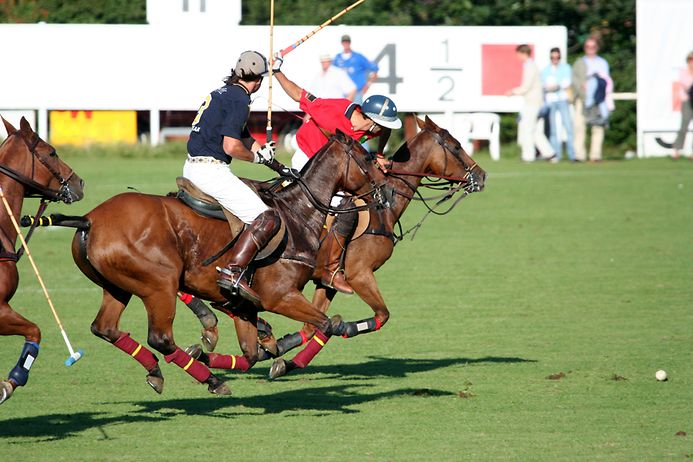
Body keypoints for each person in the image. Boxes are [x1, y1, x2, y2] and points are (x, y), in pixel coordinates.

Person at [273, 66, 400, 294]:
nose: (384, 130)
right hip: (308, 157)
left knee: (352, 202)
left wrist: (379, 154)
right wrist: (276, 71)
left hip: (334, 165)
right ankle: (329, 269)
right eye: (383, 125)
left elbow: (386, 132)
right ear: (373, 120)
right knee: (340, 208)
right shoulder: (332, 110)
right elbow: (298, 94)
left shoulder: (372, 128)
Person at [184, 50, 285, 305]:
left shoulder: (223, 92)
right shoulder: (241, 100)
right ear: (259, 80)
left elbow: (242, 135)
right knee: (267, 217)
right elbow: (231, 146)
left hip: (192, 166)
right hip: (211, 171)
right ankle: (234, 272)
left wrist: (263, 153)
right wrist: (255, 159)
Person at [507, 44, 555, 162]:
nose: (517, 57)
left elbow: (526, 86)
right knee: (534, 130)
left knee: (527, 129)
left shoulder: (529, 66)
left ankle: (528, 155)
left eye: (518, 54)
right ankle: (550, 154)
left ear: (522, 53)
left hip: (532, 102)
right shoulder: (530, 65)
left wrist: (512, 92)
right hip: (534, 101)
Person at [571, 37, 612, 162]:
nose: (590, 50)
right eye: (588, 47)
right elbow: (575, 80)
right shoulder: (579, 63)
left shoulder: (602, 63)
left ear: (597, 48)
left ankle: (595, 155)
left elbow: (607, 81)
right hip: (582, 99)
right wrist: (582, 87)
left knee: (597, 127)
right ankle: (579, 155)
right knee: (579, 126)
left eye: (593, 47)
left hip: (598, 100)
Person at [541, 47, 575, 162]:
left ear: (560, 57)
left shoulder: (566, 68)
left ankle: (572, 155)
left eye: (557, 57)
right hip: (551, 101)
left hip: (562, 99)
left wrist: (557, 86)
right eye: (553, 57)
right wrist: (549, 87)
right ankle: (557, 155)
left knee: (568, 126)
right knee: (553, 130)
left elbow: (567, 82)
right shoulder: (546, 70)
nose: (555, 59)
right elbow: (543, 85)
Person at [333, 34, 379, 104]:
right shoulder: (337, 58)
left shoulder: (358, 57)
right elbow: (332, 73)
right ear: (342, 43)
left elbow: (374, 69)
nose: (346, 44)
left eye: (347, 42)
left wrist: (368, 85)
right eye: (344, 42)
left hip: (356, 94)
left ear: (350, 43)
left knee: (356, 113)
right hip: (341, 94)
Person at [672, 51, 693, 160]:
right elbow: (687, 85)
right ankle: (677, 150)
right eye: (690, 60)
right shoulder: (683, 72)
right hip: (687, 102)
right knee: (683, 127)